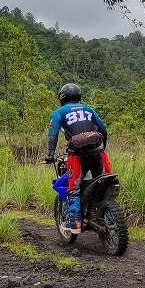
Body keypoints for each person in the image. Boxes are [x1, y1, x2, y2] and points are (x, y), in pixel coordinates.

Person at [44, 83, 112, 234]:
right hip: (98, 154)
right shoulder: (89, 109)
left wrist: (49, 156)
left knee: (73, 187)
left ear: (62, 97)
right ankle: (102, 215)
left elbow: (53, 135)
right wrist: (103, 148)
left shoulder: (59, 113)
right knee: (101, 184)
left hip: (78, 157)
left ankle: (75, 223)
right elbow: (103, 130)